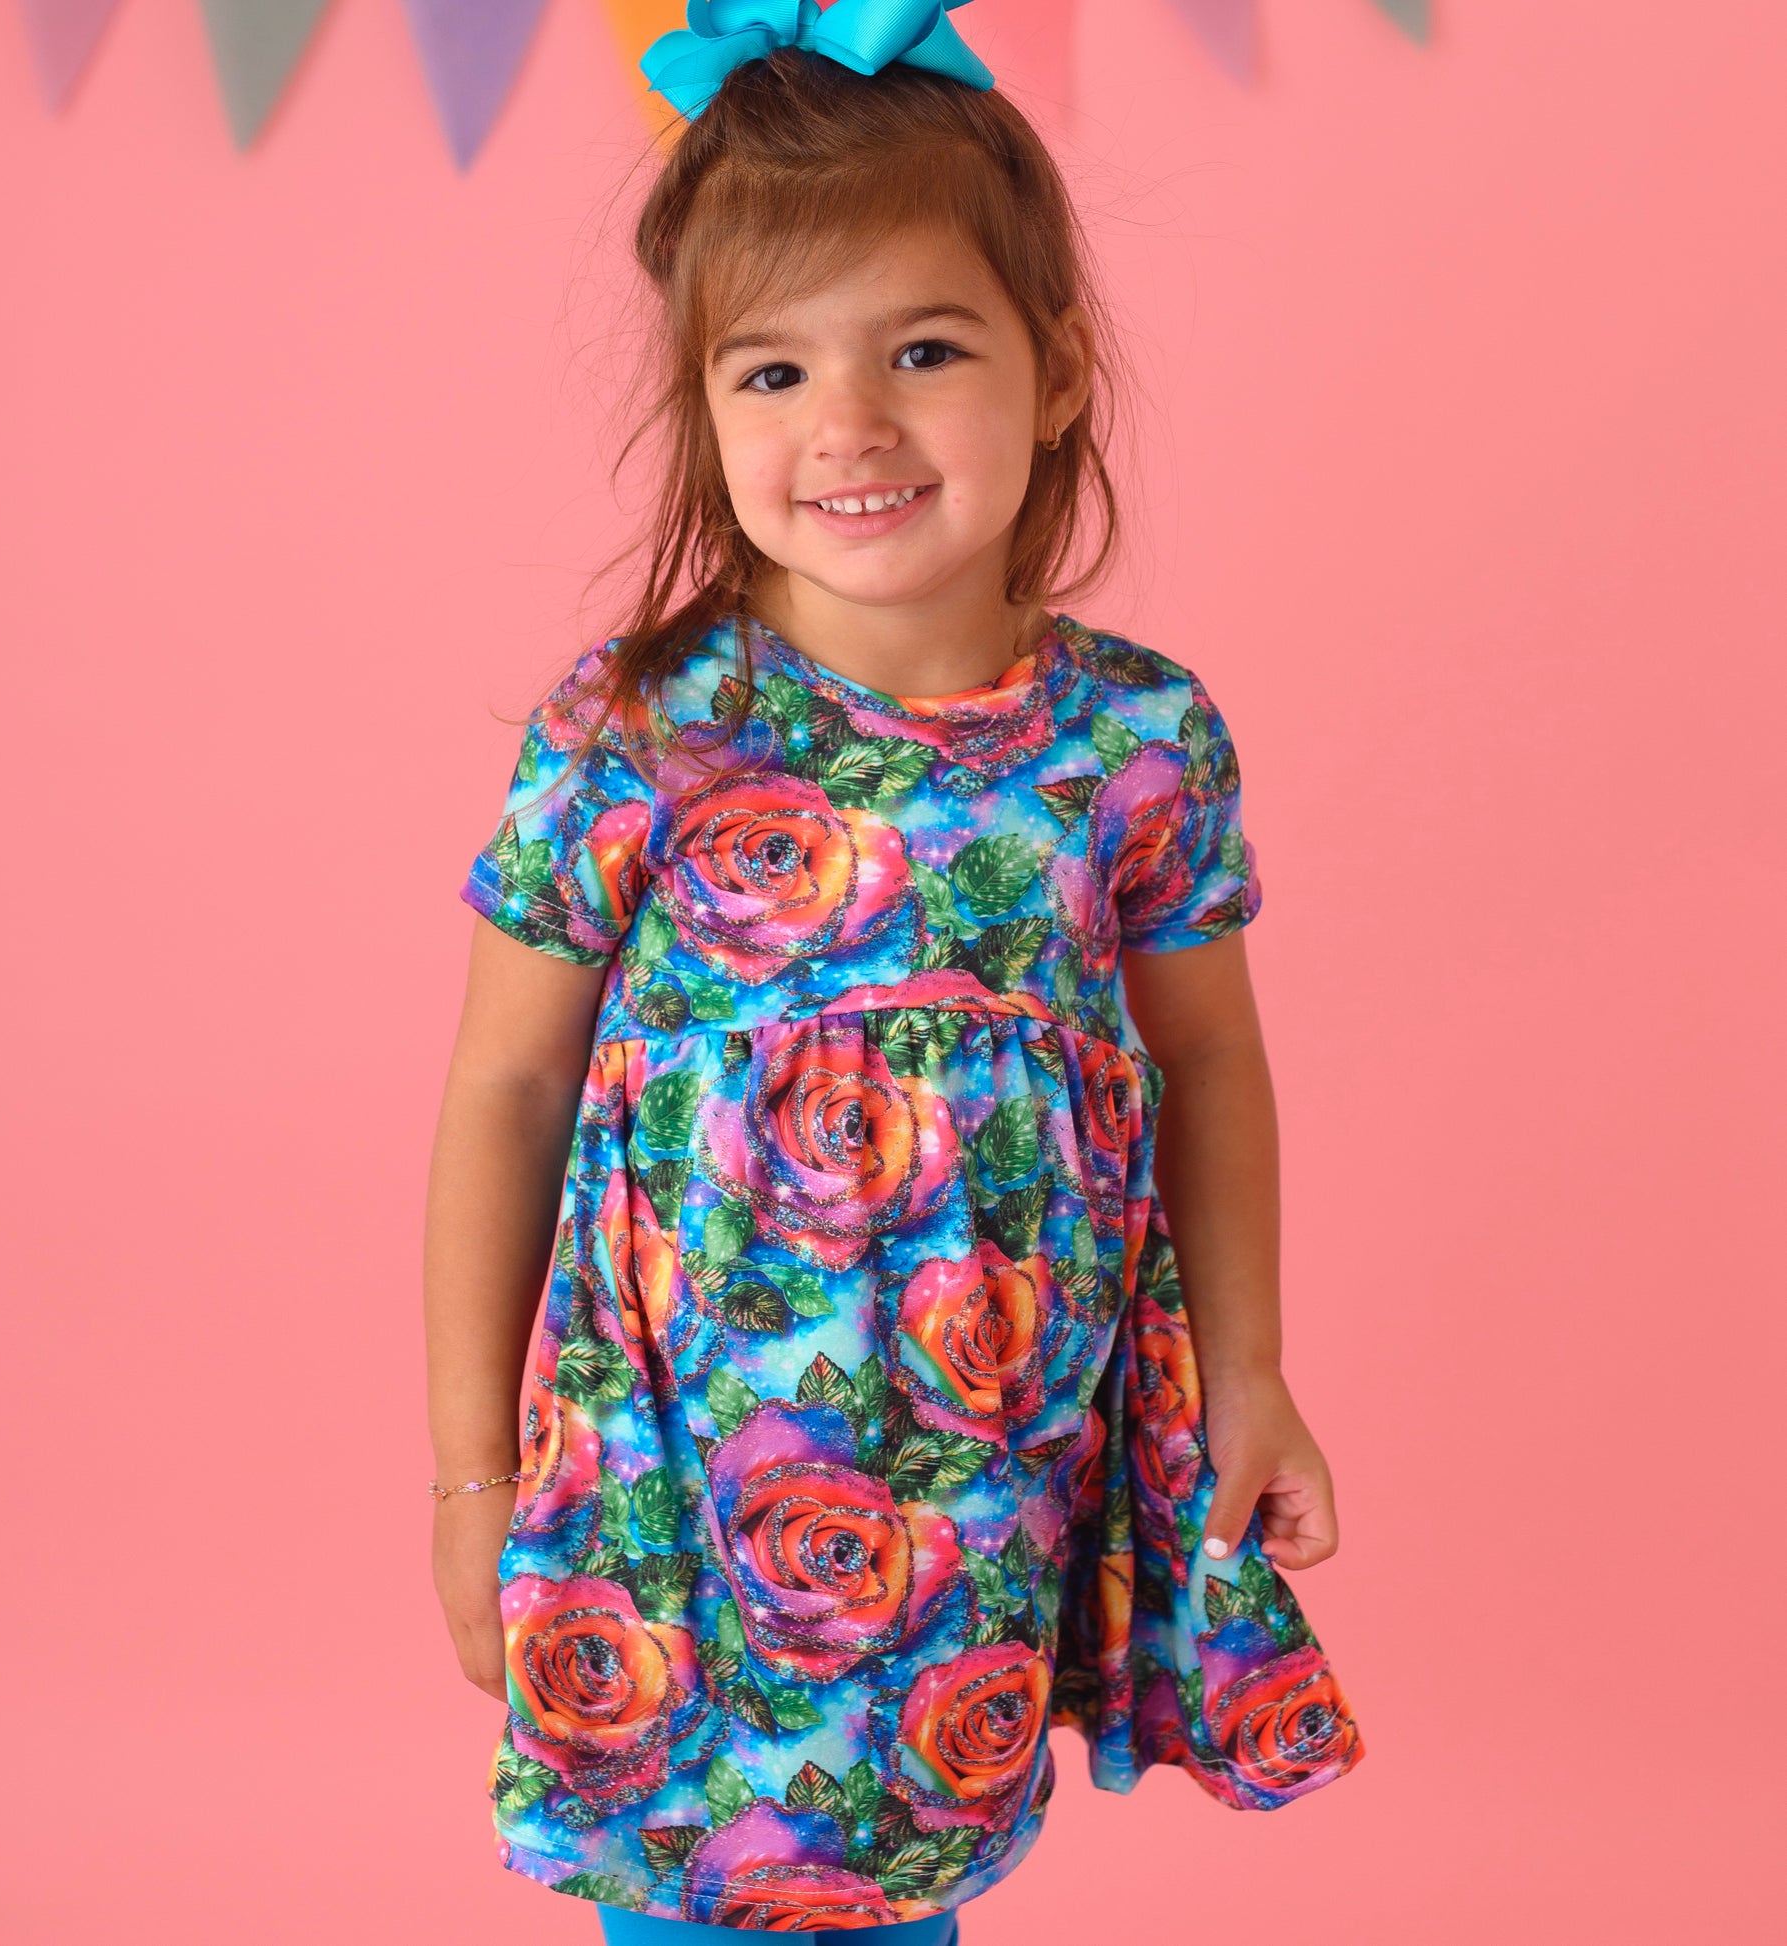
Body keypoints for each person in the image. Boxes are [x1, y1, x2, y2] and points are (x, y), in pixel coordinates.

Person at [423, 5, 1366, 1939]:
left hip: (979, 1468)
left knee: (905, 1865)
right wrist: (465, 1478)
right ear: (705, 406)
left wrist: (1253, 1370)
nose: (846, 423)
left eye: (922, 350)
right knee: (689, 1880)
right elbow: (506, 1088)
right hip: (675, 1476)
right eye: (772, 369)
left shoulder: (1130, 741)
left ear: (1054, 370)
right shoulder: (643, 729)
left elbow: (1209, 1062)